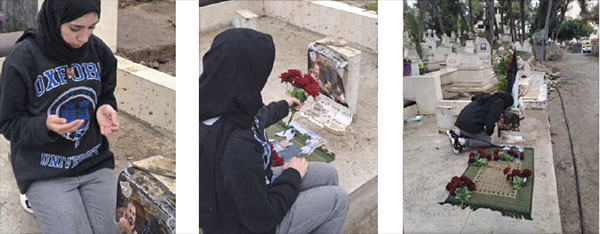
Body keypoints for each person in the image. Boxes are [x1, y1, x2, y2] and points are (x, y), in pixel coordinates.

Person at [200, 28, 348, 234]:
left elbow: (253, 119)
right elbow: (261, 219)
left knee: (328, 174)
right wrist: (292, 176)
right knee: (338, 201)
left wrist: (282, 107)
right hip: (246, 225)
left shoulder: (216, 101)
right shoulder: (236, 147)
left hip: (251, 190)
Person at [0, 0, 120, 233]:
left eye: (92, 27)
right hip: (44, 170)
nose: (84, 38)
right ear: (55, 20)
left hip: (93, 161)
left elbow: (105, 92)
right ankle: (33, 198)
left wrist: (104, 106)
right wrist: (43, 126)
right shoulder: (22, 58)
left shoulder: (98, 51)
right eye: (76, 29)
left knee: (108, 230)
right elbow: (8, 122)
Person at [446, 92, 513, 154]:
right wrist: (488, 133)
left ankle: (455, 133)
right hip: (470, 124)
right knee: (489, 142)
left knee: (477, 134)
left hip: (461, 120)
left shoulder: (490, 97)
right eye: (508, 107)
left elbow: (475, 100)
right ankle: (460, 142)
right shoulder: (499, 103)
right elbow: (490, 122)